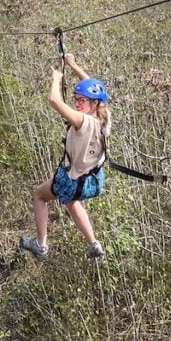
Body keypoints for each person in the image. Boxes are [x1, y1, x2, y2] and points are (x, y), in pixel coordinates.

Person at [20, 53, 110, 261]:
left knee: (39, 195)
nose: (78, 103)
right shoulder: (104, 119)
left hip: (72, 181)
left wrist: (57, 77)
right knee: (71, 202)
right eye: (76, 99)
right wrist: (73, 65)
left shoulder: (82, 121)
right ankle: (93, 243)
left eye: (82, 101)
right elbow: (93, 87)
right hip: (93, 182)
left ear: (94, 103)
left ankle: (41, 245)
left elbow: (53, 100)